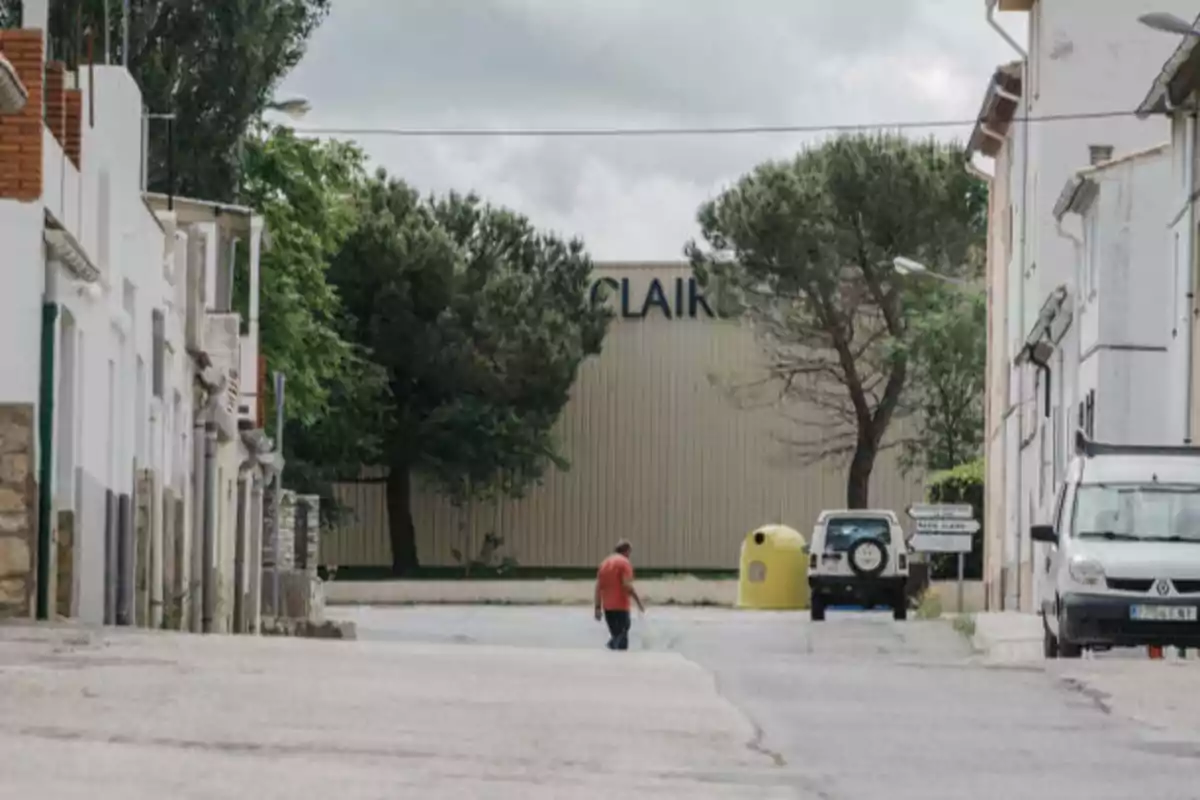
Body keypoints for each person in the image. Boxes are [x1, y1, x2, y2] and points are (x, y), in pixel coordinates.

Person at [594, 540, 644, 650]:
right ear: (627, 552)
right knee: (622, 636)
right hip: (621, 606)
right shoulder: (624, 563)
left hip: (608, 608)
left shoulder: (604, 564)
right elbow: (626, 585)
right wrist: (638, 601)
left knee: (616, 635)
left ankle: (611, 656)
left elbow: (598, 588)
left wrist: (597, 607)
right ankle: (618, 660)